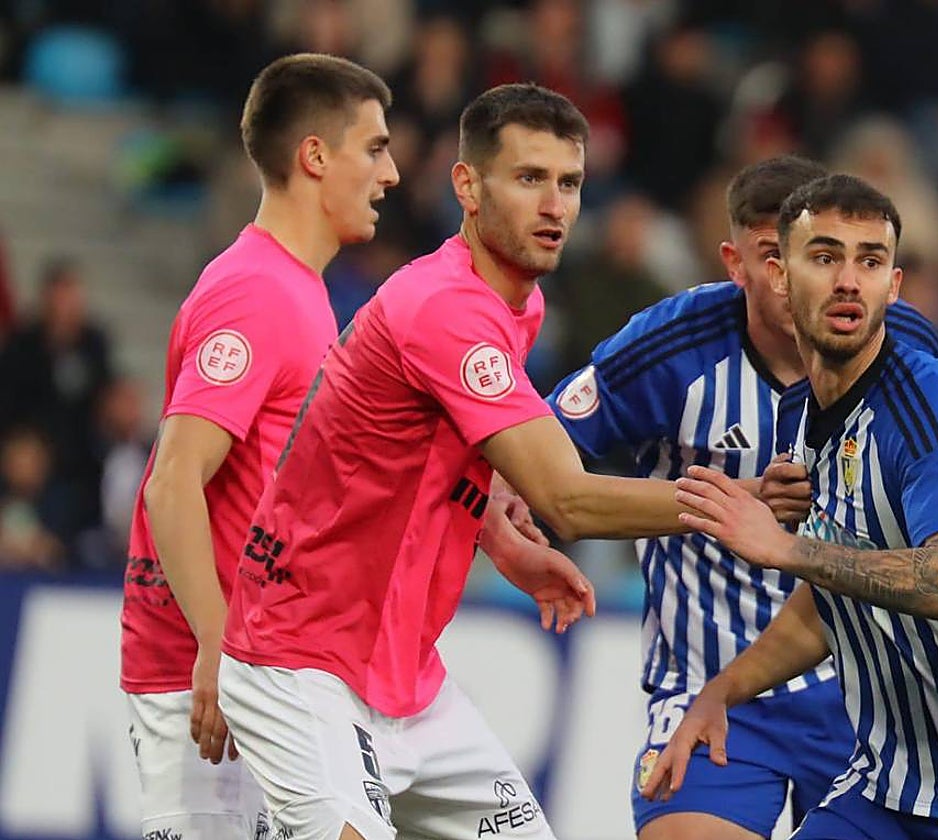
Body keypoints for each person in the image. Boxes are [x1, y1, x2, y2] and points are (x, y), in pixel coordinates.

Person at [217, 83, 725, 840]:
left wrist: (496, 534)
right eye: (528, 179)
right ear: (468, 185)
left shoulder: (514, 302)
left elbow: (407, 450)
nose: (554, 205)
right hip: (303, 660)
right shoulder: (445, 307)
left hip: (407, 678)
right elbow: (569, 502)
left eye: (569, 183)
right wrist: (727, 507)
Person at [643, 174, 938, 840]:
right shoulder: (800, 415)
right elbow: (825, 603)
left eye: (869, 260)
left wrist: (786, 548)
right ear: (780, 277)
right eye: (825, 256)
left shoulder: (934, 414)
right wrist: (723, 690)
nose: (848, 279)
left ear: (892, 288)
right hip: (890, 791)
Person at [547, 155, 938, 840]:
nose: (796, 280)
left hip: (867, 697)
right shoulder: (670, 346)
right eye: (775, 257)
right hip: (713, 693)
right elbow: (539, 452)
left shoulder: (904, 344)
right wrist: (505, 515)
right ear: (736, 263)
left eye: (820, 256)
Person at [118, 53, 401, 840]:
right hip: (212, 675)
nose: (392, 173)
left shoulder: (299, 291)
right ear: (316, 156)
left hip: (268, 665)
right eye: (374, 148)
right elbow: (172, 482)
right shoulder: (256, 293)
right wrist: (218, 648)